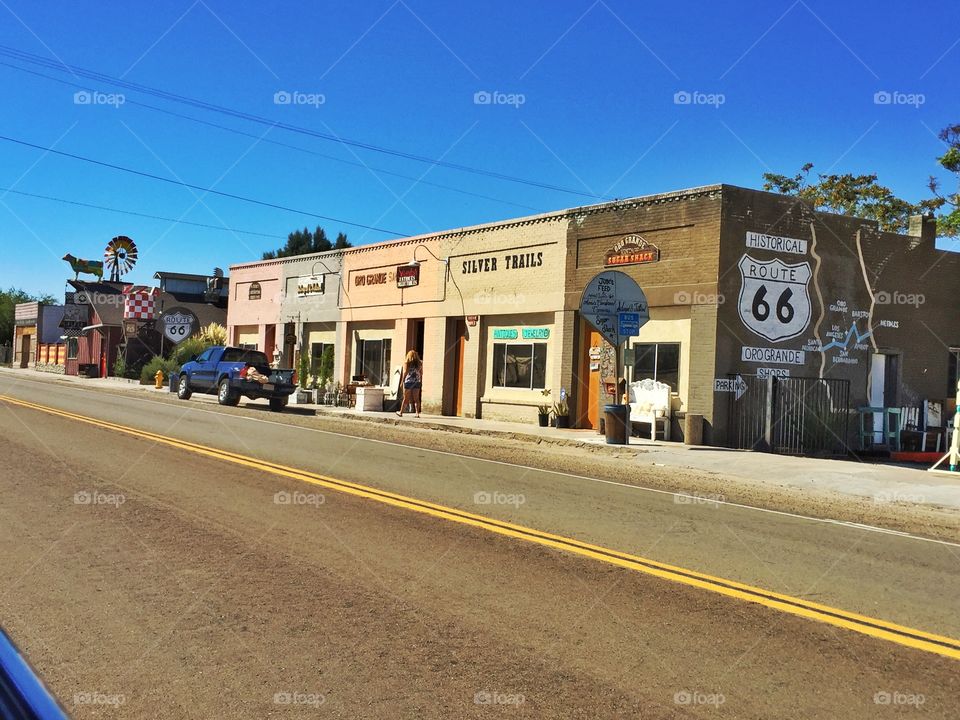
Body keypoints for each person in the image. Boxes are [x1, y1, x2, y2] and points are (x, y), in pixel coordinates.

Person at [396, 350, 423, 418]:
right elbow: (421, 373)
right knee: (416, 399)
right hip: (417, 382)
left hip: (408, 382)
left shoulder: (407, 363)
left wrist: (402, 381)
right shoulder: (420, 363)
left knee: (406, 398)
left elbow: (405, 372)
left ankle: (401, 412)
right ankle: (417, 413)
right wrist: (420, 380)